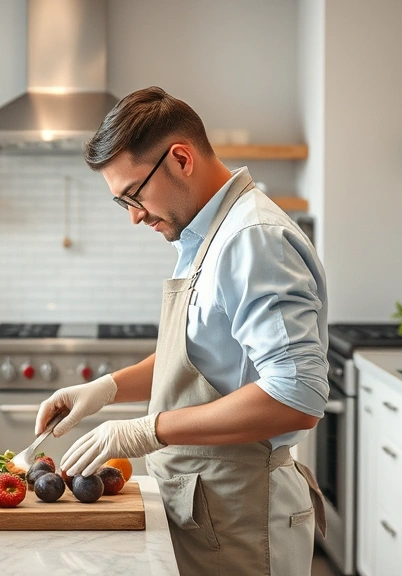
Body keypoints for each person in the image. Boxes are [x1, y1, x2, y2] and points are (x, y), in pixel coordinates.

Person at [35, 87, 329, 576]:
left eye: (135, 194)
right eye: (121, 202)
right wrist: (106, 389)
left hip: (244, 516)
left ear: (180, 159)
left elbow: (296, 396)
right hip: (208, 509)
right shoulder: (205, 233)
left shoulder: (250, 239)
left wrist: (147, 430)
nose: (134, 215)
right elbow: (201, 360)